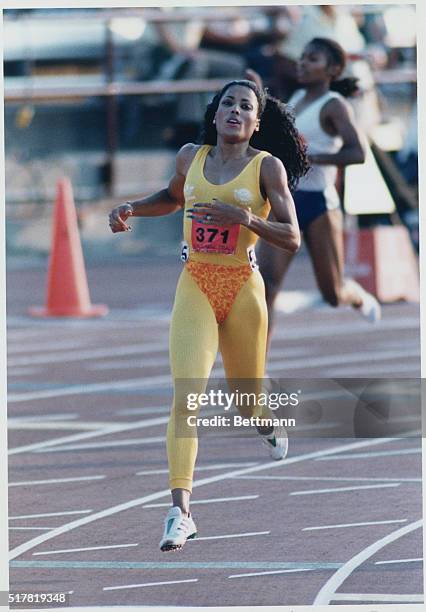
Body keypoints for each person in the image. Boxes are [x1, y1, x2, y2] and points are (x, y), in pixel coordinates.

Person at [109, 79, 308, 551]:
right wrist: (132, 208)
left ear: (257, 123)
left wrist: (247, 220)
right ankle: (180, 511)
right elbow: (174, 196)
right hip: (196, 283)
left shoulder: (267, 168)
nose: (235, 111)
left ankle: (264, 419)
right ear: (215, 115)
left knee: (245, 401)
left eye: (245, 106)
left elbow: (292, 236)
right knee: (186, 398)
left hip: (242, 288)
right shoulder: (190, 157)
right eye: (228, 104)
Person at [254, 37, 381, 350]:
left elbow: (358, 153)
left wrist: (315, 159)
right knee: (267, 285)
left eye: (312, 59)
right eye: (302, 58)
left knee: (332, 293)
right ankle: (258, 369)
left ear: (333, 69)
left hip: (320, 205)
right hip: (288, 201)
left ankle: (357, 295)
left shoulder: (335, 106)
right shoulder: (297, 97)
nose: (302, 63)